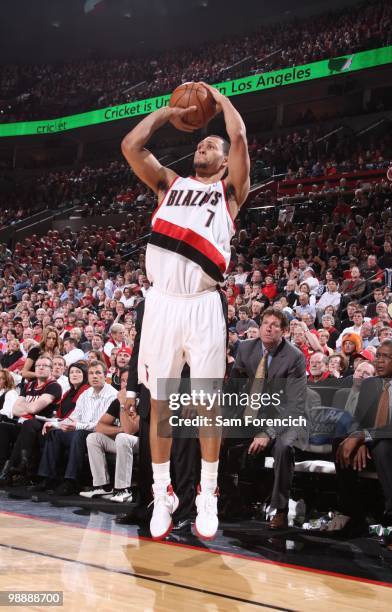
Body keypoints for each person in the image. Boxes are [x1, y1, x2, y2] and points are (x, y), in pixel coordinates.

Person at [121, 81, 250, 539]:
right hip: (160, 303)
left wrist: (219, 100)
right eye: (199, 141)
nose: (204, 144)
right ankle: (163, 492)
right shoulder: (169, 185)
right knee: (160, 407)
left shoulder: (230, 194)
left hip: (202, 304)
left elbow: (238, 138)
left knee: (206, 404)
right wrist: (166, 112)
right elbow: (131, 145)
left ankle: (207, 492)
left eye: (209, 142)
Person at [231, 307, 307, 529]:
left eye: (275, 325)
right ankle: (227, 500)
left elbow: (295, 405)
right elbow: (233, 388)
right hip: (253, 415)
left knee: (283, 448)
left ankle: (280, 510)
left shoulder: (294, 357)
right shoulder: (245, 348)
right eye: (265, 323)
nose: (269, 328)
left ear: (284, 331)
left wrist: (268, 433)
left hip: (285, 419)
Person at [333, 340, 392, 547]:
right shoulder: (369, 384)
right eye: (378, 356)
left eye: (386, 357)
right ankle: (353, 515)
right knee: (340, 443)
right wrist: (362, 440)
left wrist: (364, 437)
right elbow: (358, 420)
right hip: (374, 446)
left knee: (387, 449)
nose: (379, 361)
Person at [36, 360, 117, 495]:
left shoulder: (112, 395)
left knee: (79, 434)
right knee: (55, 433)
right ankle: (47, 478)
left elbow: (101, 424)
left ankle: (71, 481)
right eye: (91, 373)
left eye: (98, 373)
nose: (94, 376)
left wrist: (76, 426)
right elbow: (74, 416)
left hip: (100, 435)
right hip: (81, 430)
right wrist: (56, 424)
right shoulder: (85, 394)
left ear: (105, 375)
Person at [0, 354, 62, 485]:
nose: (40, 368)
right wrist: (29, 408)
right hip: (26, 424)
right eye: (38, 365)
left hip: (43, 425)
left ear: (51, 369)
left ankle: (17, 467)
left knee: (29, 423)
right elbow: (15, 409)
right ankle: (3, 467)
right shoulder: (28, 385)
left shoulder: (53, 386)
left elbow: (34, 409)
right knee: (3, 426)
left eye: (45, 366)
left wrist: (26, 407)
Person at [81, 367, 139, 503]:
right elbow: (100, 426)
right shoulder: (117, 400)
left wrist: (124, 404)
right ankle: (103, 487)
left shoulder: (142, 400)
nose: (125, 384)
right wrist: (120, 429)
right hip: (122, 441)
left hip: (143, 443)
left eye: (128, 381)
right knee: (93, 438)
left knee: (123, 437)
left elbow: (130, 430)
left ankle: (124, 489)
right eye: (122, 381)